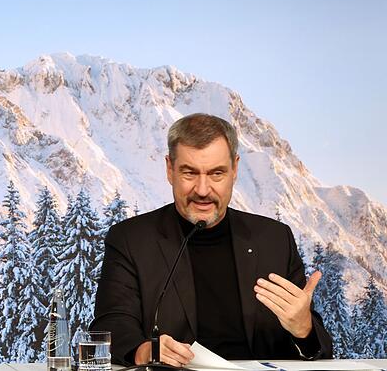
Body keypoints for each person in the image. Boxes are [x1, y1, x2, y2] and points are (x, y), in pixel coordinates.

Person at [91, 113, 332, 366]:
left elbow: (319, 349)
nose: (203, 190)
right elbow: (113, 322)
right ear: (170, 169)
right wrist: (144, 350)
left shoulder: (274, 239)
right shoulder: (131, 239)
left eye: (216, 174)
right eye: (189, 173)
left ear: (235, 170)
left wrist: (303, 329)